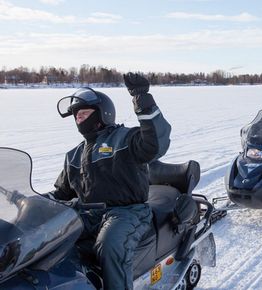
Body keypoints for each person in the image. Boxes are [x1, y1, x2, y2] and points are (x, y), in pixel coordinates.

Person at [49, 73, 171, 290]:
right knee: (53, 243)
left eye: (84, 113)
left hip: (127, 212)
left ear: (102, 114)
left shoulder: (125, 138)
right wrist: (25, 202)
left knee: (110, 245)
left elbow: (155, 144)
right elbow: (60, 194)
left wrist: (142, 99)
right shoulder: (74, 155)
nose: (79, 119)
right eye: (77, 116)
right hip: (87, 215)